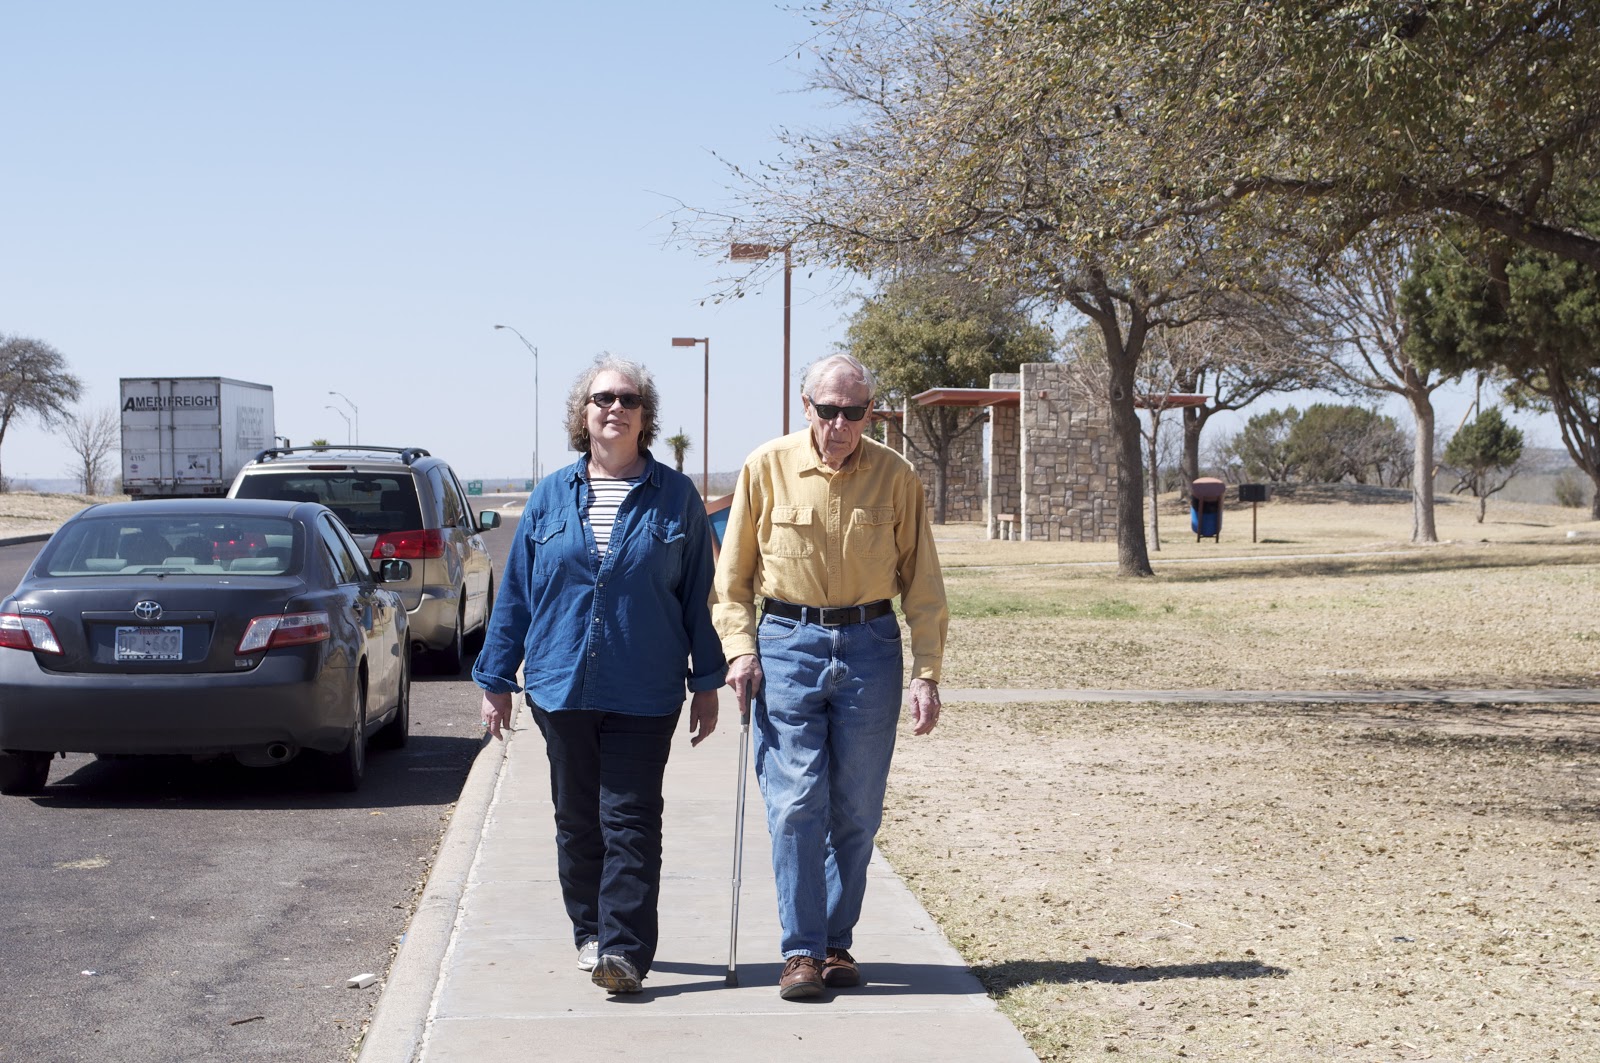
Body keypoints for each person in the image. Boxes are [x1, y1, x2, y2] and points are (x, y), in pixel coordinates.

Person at [475, 354, 726, 995]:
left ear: (645, 417)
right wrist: (497, 677)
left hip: (645, 687)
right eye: (601, 399)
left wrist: (707, 681)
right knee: (577, 817)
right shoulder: (550, 496)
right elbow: (519, 596)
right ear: (582, 414)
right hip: (561, 684)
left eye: (628, 399)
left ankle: (624, 949)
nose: (614, 408)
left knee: (632, 817)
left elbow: (701, 594)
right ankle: (589, 930)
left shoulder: (676, 498)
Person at [712, 352, 948, 1000]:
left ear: (870, 411)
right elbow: (730, 581)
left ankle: (836, 941)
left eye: (854, 411)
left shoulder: (898, 478)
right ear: (806, 406)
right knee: (794, 803)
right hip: (787, 643)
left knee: (856, 810)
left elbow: (924, 584)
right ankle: (801, 951)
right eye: (828, 410)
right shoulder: (764, 468)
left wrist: (927, 673)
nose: (839, 424)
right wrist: (739, 650)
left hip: (871, 643)